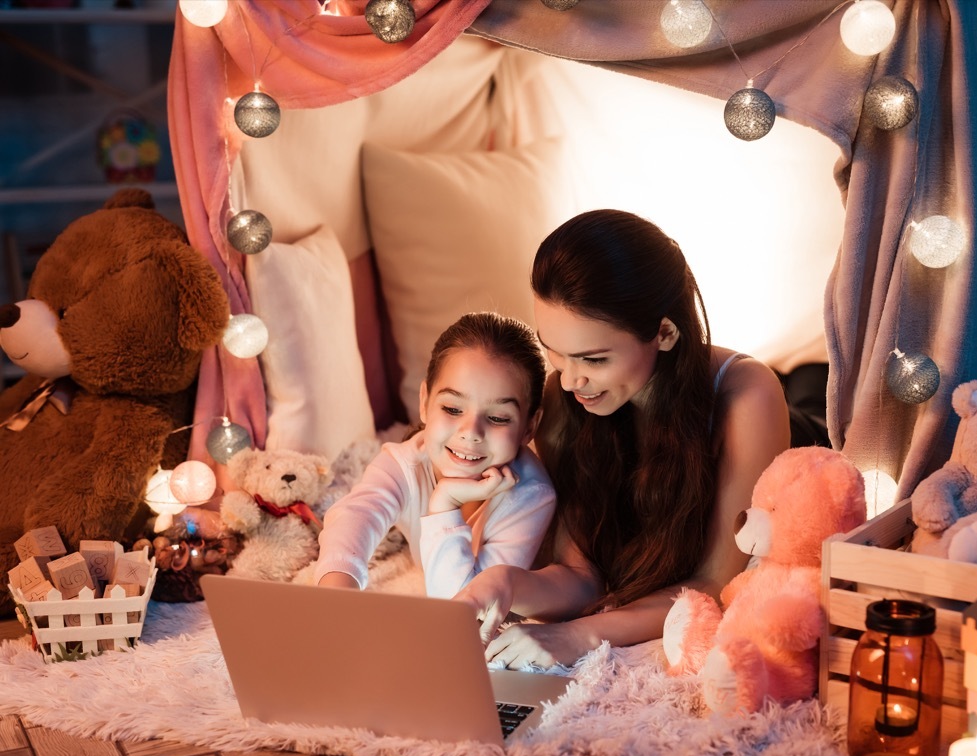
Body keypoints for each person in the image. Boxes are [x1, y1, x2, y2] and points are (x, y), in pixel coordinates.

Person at [453, 209, 791, 669]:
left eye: (593, 359)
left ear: (665, 333)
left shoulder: (747, 397)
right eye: (555, 352)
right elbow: (582, 573)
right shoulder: (563, 397)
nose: (572, 380)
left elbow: (713, 585)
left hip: (791, 417)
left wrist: (580, 635)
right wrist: (505, 581)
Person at [313, 312, 556, 599]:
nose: (471, 432)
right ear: (425, 403)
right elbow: (354, 518)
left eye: (498, 417)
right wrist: (336, 598)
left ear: (529, 427)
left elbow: (462, 608)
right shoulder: (406, 463)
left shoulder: (530, 496)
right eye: (453, 409)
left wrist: (445, 504)